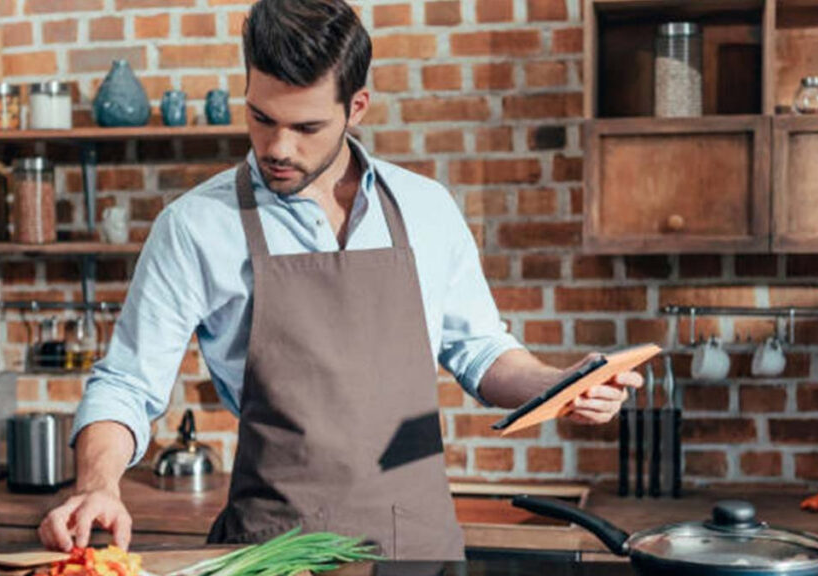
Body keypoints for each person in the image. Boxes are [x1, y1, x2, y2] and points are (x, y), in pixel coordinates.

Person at [38, 0, 642, 560]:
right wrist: (98, 486)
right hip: (275, 553)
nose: (276, 147)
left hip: (418, 548)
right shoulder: (195, 226)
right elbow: (126, 384)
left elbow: (480, 351)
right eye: (260, 117)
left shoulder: (426, 208)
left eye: (305, 128)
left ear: (356, 107)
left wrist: (559, 384)